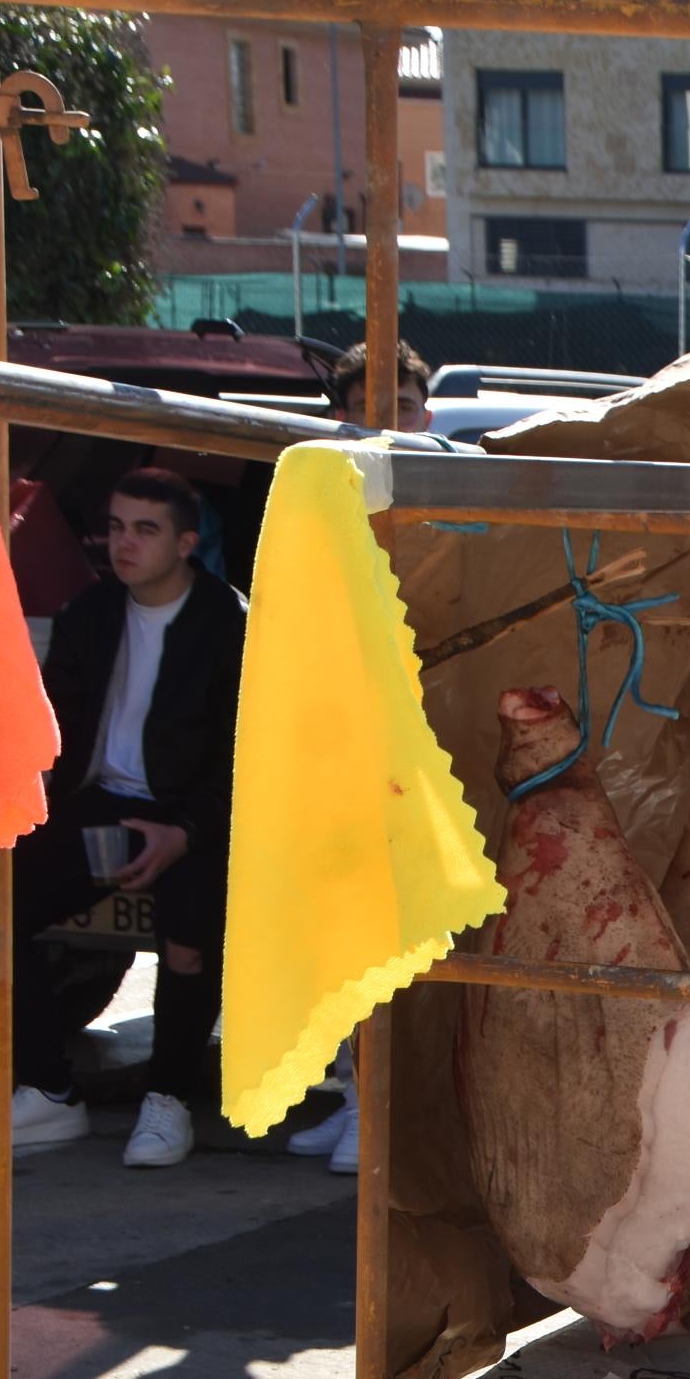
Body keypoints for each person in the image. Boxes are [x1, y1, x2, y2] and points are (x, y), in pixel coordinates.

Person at [0, 470, 245, 1168]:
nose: (122, 543)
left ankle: (167, 1102)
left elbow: (240, 754)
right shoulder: (90, 614)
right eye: (115, 525)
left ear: (187, 543)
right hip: (101, 807)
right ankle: (48, 1089)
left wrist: (185, 834)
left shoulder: (230, 625)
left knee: (190, 939)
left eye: (145, 529)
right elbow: (55, 733)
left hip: (197, 817)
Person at [282, 340, 439, 1174]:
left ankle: (384, 1113)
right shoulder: (315, 499)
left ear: (426, 415)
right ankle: (352, 1096)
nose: (382, 422)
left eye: (402, 408)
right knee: (341, 928)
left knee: (398, 936)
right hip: (333, 741)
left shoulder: (442, 491)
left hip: (412, 750)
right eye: (363, 407)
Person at [326, 337, 433, 433]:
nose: (388, 426)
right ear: (341, 419)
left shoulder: (447, 453)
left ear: (427, 419)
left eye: (403, 408)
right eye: (370, 410)